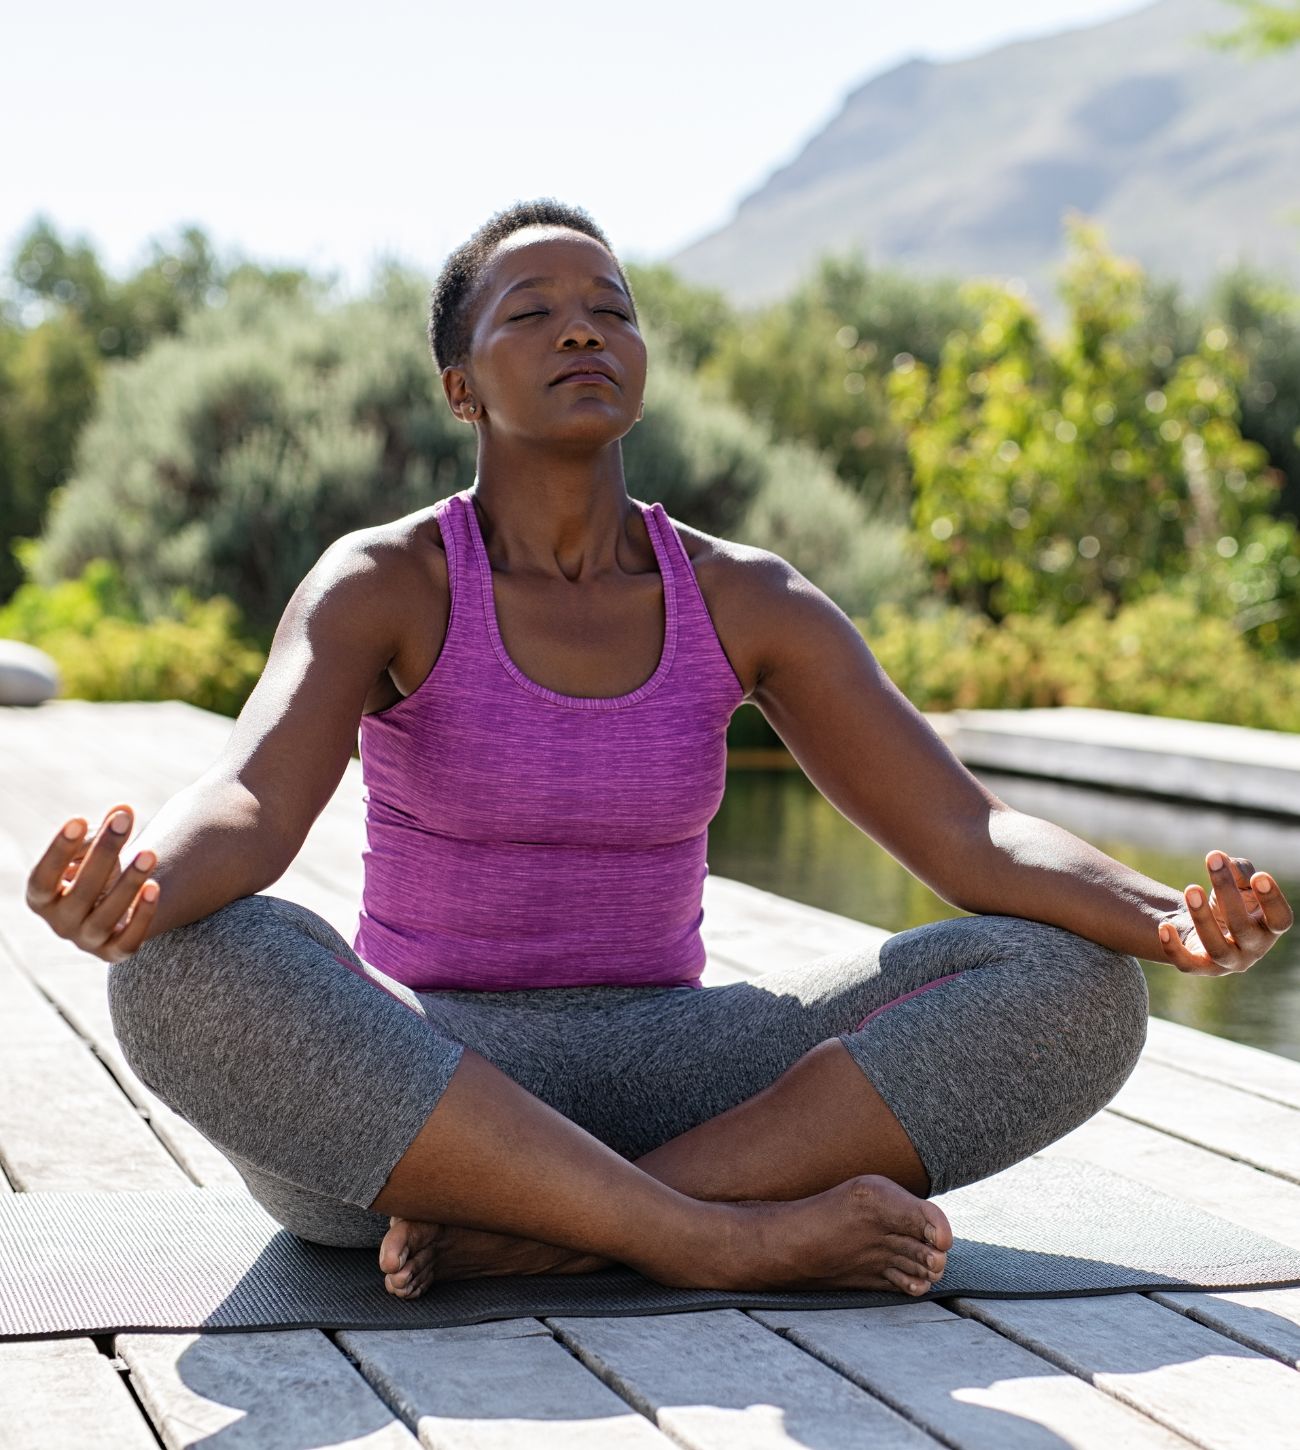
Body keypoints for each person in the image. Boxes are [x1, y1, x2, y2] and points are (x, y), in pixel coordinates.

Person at [25, 201, 1294, 1303]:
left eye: (611, 307)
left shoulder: (748, 599)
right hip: (422, 1104)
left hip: (689, 1081)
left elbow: (966, 834)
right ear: (460, 387)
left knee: (1072, 986)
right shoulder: (386, 580)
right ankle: (704, 1240)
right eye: (531, 312)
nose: (583, 328)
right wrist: (140, 891)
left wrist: (1161, 914)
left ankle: (562, 1237)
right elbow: (249, 796)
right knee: (181, 966)